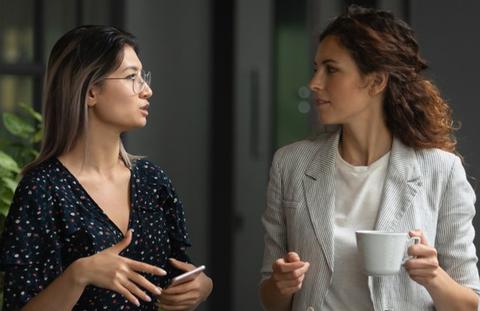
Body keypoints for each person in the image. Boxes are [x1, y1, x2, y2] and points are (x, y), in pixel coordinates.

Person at [259, 5, 480, 311]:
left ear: (376, 82)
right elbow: (271, 300)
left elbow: (469, 304)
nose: (314, 83)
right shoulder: (290, 164)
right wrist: (281, 284)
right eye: (316, 68)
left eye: (331, 69)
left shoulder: (441, 170)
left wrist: (434, 277)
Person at [0, 25, 212, 310]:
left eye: (143, 77)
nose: (147, 90)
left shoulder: (153, 180)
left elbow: (177, 271)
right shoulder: (41, 189)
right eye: (131, 77)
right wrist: (80, 274)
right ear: (90, 92)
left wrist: (201, 287)